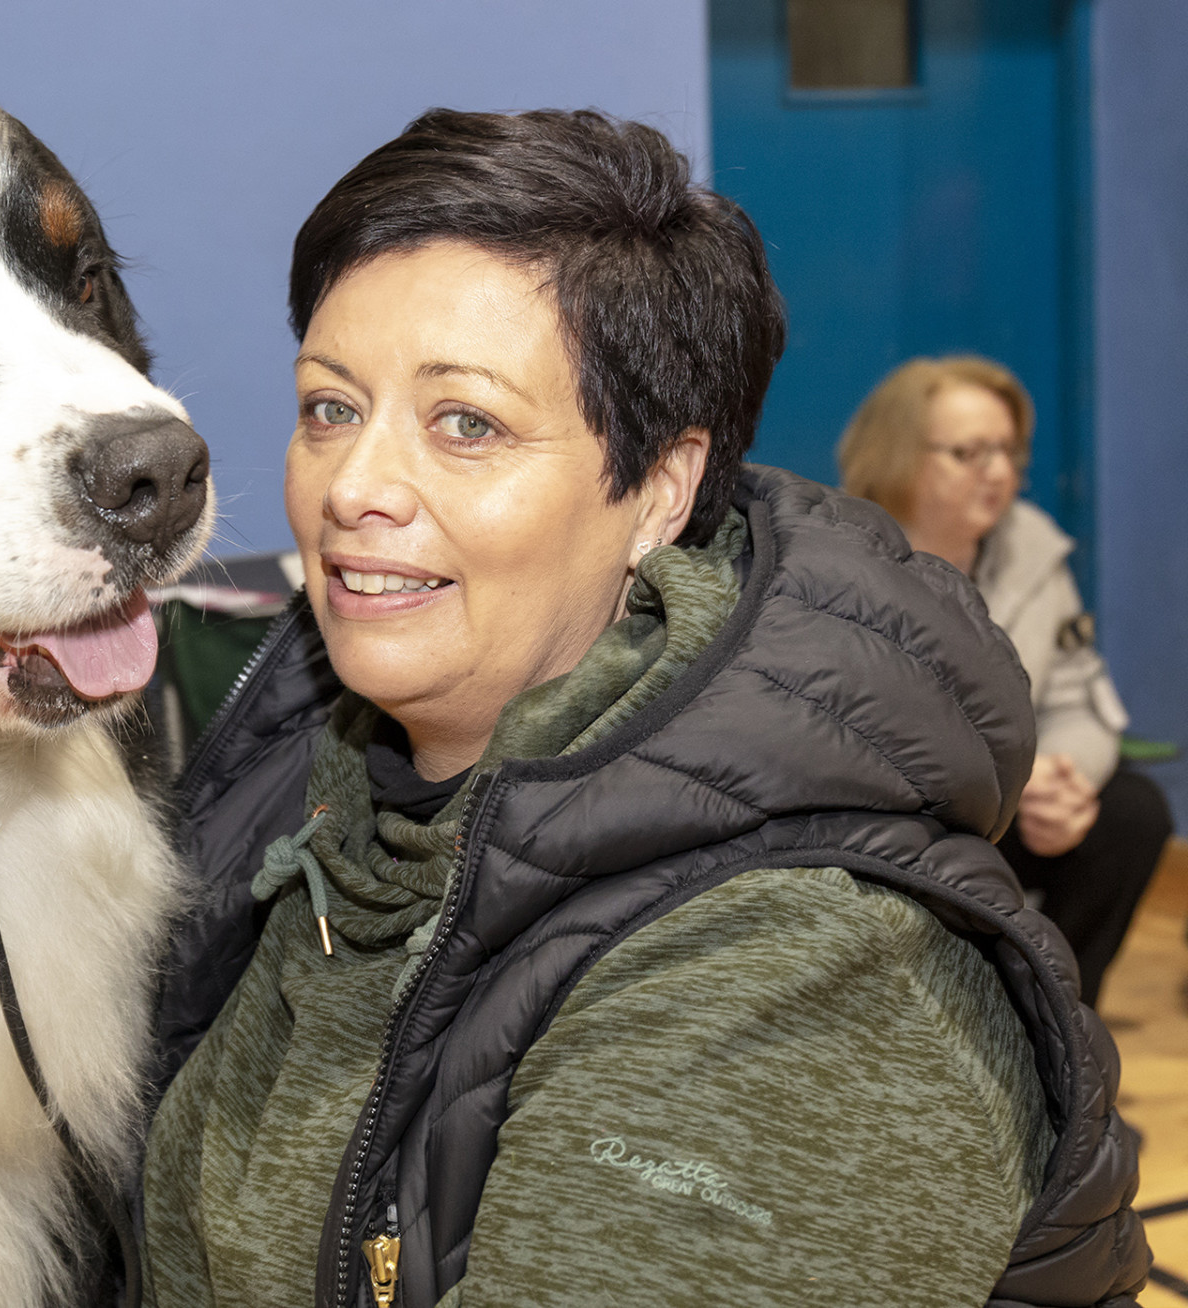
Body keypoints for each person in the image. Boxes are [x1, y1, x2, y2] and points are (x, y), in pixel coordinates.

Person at [143, 111, 1147, 1307]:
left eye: (467, 424)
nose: (353, 486)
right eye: (331, 408)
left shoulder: (795, 992)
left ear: (661, 487)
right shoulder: (326, 791)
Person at [838, 355, 1174, 1007]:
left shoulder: (1035, 549)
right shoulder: (840, 558)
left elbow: (1082, 699)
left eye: (1007, 451)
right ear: (899, 453)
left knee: (1129, 812)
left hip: (1007, 807)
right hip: (897, 822)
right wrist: (1003, 786)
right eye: (970, 453)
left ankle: (1059, 1021)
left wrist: (1062, 779)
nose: (999, 473)